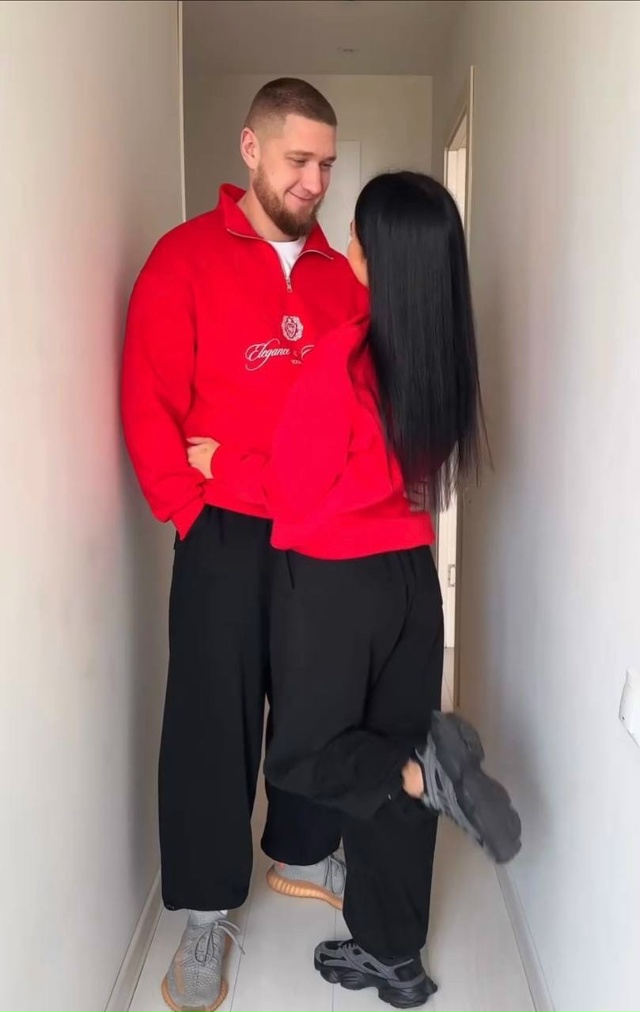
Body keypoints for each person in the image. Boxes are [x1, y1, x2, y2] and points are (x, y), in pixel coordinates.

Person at [188, 171, 522, 1008]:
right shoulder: (444, 361)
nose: (345, 245)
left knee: (308, 757)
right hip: (412, 583)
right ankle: (392, 957)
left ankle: (422, 770)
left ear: (378, 258)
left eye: (357, 236)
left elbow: (291, 494)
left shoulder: (339, 363)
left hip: (335, 589)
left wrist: (221, 461)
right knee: (385, 763)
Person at [120, 79, 367, 1012]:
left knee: (319, 702)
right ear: (251, 149)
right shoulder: (183, 259)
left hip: (321, 525)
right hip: (221, 529)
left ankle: (303, 851)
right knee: (210, 722)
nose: (315, 181)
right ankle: (204, 911)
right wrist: (189, 507)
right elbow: (148, 399)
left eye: (328, 165)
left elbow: (361, 415)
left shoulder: (342, 280)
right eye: (299, 160)